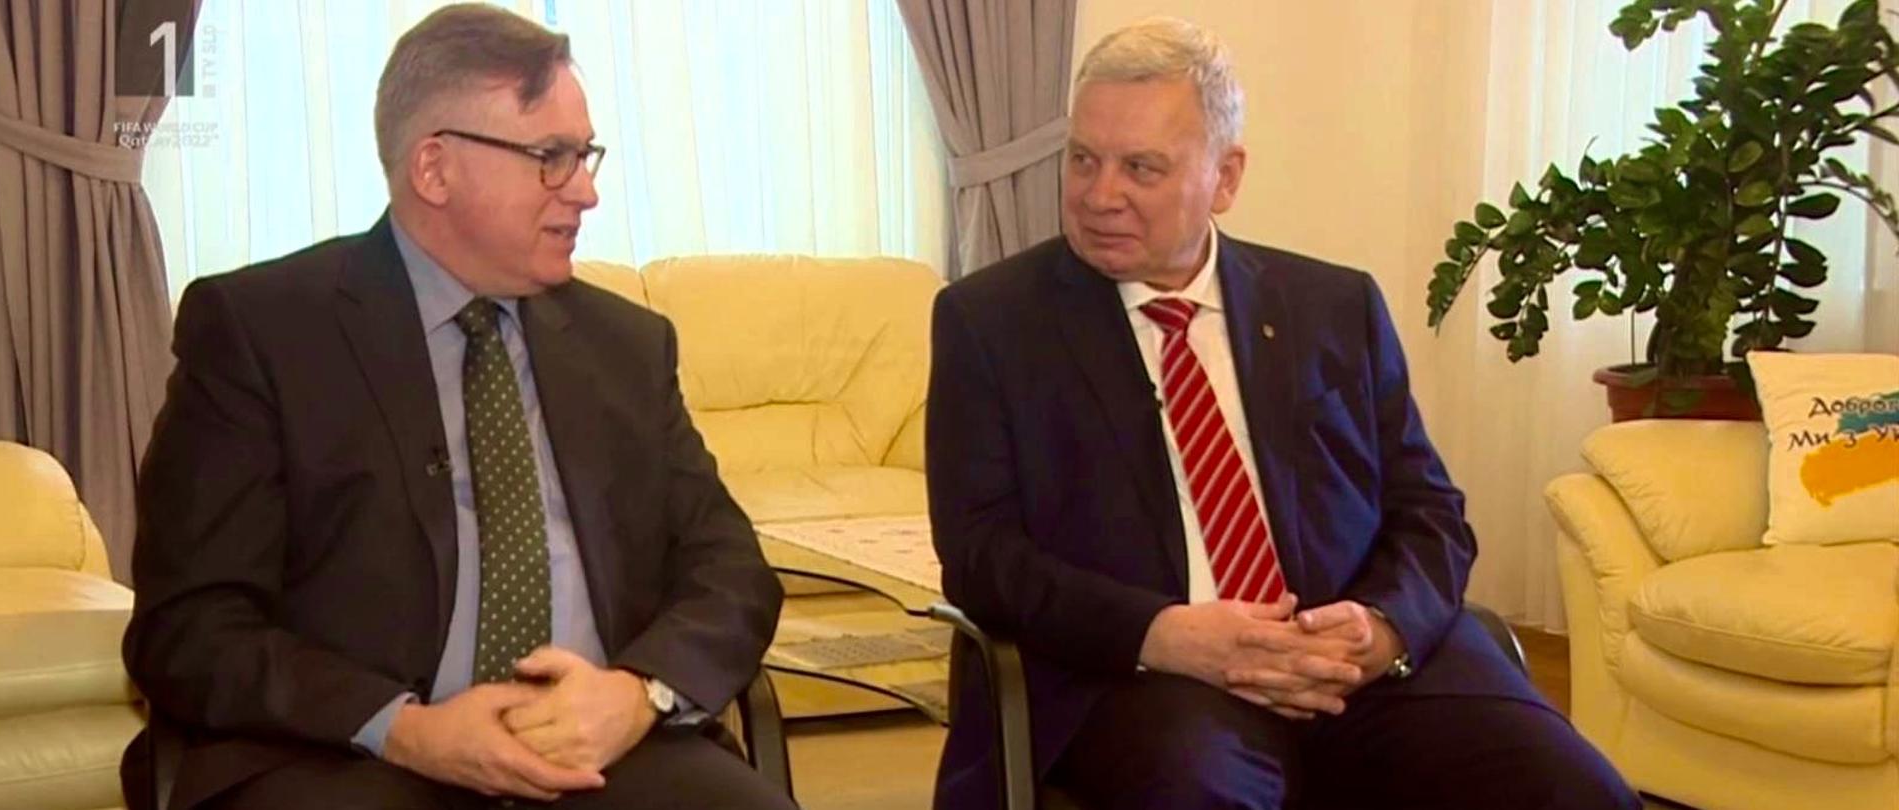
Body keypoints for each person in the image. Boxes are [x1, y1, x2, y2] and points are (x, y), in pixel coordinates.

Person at [926, 16, 1639, 810]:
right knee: (1204, 794)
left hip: (1359, 668)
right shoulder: (992, 323)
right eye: (1083, 159)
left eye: (1141, 168)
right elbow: (982, 556)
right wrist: (1164, 633)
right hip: (1152, 679)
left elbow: (1430, 514)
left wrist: (1383, 628)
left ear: (1225, 177)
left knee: (1577, 789)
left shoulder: (1333, 307)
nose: (1100, 195)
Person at [122, 5, 789, 808]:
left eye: (585, 156)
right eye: (551, 157)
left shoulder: (627, 347)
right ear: (434, 170)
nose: (585, 192)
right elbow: (188, 626)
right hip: (350, 756)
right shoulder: (262, 332)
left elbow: (731, 569)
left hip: (604, 751)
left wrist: (638, 692)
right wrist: (404, 727)